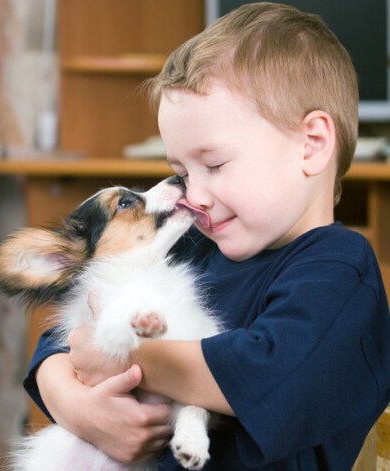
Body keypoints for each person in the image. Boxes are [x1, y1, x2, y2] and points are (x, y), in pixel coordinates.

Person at [23, 3, 390, 470]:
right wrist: (72, 403)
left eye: (213, 165)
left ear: (311, 144)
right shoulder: (192, 243)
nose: (190, 195)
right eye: (180, 171)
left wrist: (124, 355)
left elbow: (263, 373)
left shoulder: (340, 273)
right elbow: (66, 336)